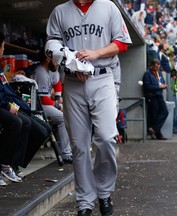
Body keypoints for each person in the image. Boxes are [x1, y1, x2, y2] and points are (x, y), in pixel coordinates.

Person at [45, 1, 132, 215]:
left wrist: (95, 54)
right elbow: (51, 45)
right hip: (73, 83)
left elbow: (122, 43)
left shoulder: (108, 7)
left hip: (102, 79)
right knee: (79, 145)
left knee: (106, 137)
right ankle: (85, 202)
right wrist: (73, 60)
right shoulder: (60, 11)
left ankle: (104, 192)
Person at [0, 31, 51, 184]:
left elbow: (9, 93)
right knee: (19, 122)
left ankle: (13, 165)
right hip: (2, 106)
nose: (3, 50)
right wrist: (8, 106)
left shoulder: (0, 70)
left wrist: (18, 106)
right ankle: (6, 164)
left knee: (44, 129)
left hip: (7, 105)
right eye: (2, 46)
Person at [33, 50, 73, 164]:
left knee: (72, 111)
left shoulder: (53, 70)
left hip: (48, 103)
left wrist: (58, 99)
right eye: (55, 60)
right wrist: (58, 106)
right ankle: (66, 153)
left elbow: (57, 83)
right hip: (39, 106)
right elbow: (42, 99)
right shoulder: (40, 72)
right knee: (63, 118)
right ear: (47, 59)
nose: (57, 63)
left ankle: (69, 149)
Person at [143, 58, 168, 140]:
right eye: (156, 65)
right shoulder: (147, 74)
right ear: (151, 66)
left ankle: (153, 129)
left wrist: (163, 85)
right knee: (154, 115)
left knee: (165, 112)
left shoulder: (159, 73)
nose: (158, 67)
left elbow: (162, 81)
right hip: (152, 96)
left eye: (159, 65)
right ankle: (157, 133)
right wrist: (158, 87)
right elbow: (147, 86)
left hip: (159, 96)